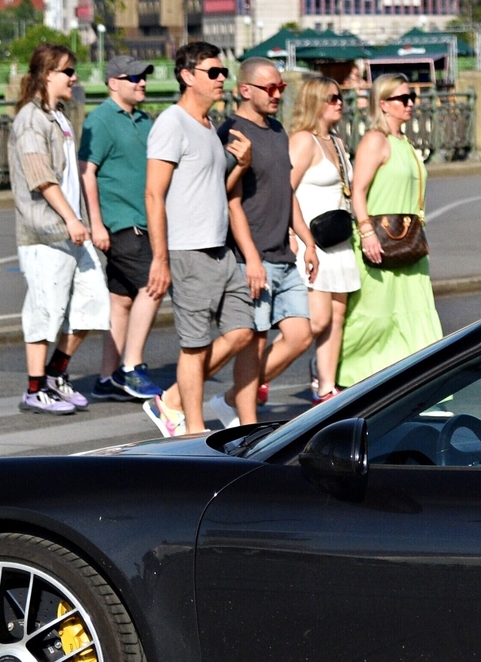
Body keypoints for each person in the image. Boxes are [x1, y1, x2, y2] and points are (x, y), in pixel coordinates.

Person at [142, 42, 257, 436]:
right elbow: (154, 194)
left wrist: (240, 166)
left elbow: (213, 188)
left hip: (220, 248)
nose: (222, 78)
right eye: (213, 72)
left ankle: (170, 400)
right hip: (188, 249)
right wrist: (160, 258)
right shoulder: (172, 123)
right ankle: (192, 430)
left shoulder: (209, 127)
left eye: (223, 72)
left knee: (243, 331)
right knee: (195, 345)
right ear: (187, 76)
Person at [8, 43, 111, 415]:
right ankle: (35, 389)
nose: (74, 78)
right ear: (47, 74)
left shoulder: (59, 116)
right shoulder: (30, 120)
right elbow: (41, 177)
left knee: (93, 303)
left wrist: (81, 220)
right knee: (44, 309)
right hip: (45, 231)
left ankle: (56, 373)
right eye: (68, 71)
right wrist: (71, 218)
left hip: (71, 229)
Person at [221, 57, 318, 416]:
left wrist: (307, 239)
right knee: (254, 341)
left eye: (282, 87)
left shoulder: (278, 130)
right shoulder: (232, 132)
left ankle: (235, 397)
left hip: (283, 253)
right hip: (254, 256)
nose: (278, 94)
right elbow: (229, 200)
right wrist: (250, 258)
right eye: (271, 88)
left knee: (300, 336)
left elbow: (285, 190)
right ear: (245, 90)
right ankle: (246, 424)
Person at [337, 77, 443, 385]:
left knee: (415, 313)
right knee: (377, 316)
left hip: (409, 242)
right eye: (403, 98)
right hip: (379, 242)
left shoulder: (405, 143)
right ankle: (353, 378)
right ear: (383, 103)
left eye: (412, 97)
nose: (410, 103)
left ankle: (419, 382)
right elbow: (358, 190)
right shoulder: (375, 140)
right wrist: (367, 232)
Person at [81, 54, 164, 401]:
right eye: (134, 78)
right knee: (153, 286)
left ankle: (106, 378)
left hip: (144, 219)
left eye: (144, 77)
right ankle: (132, 366)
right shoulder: (100, 120)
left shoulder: (145, 120)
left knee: (121, 300)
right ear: (114, 83)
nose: (141, 82)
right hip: (122, 222)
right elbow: (88, 171)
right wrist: (96, 223)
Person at [287, 75, 360, 401]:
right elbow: (283, 188)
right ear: (315, 102)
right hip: (310, 240)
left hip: (338, 240)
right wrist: (290, 232)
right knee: (317, 320)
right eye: (332, 98)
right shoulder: (303, 140)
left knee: (337, 317)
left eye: (340, 97)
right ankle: (260, 372)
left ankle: (326, 387)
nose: (339, 103)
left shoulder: (338, 143)